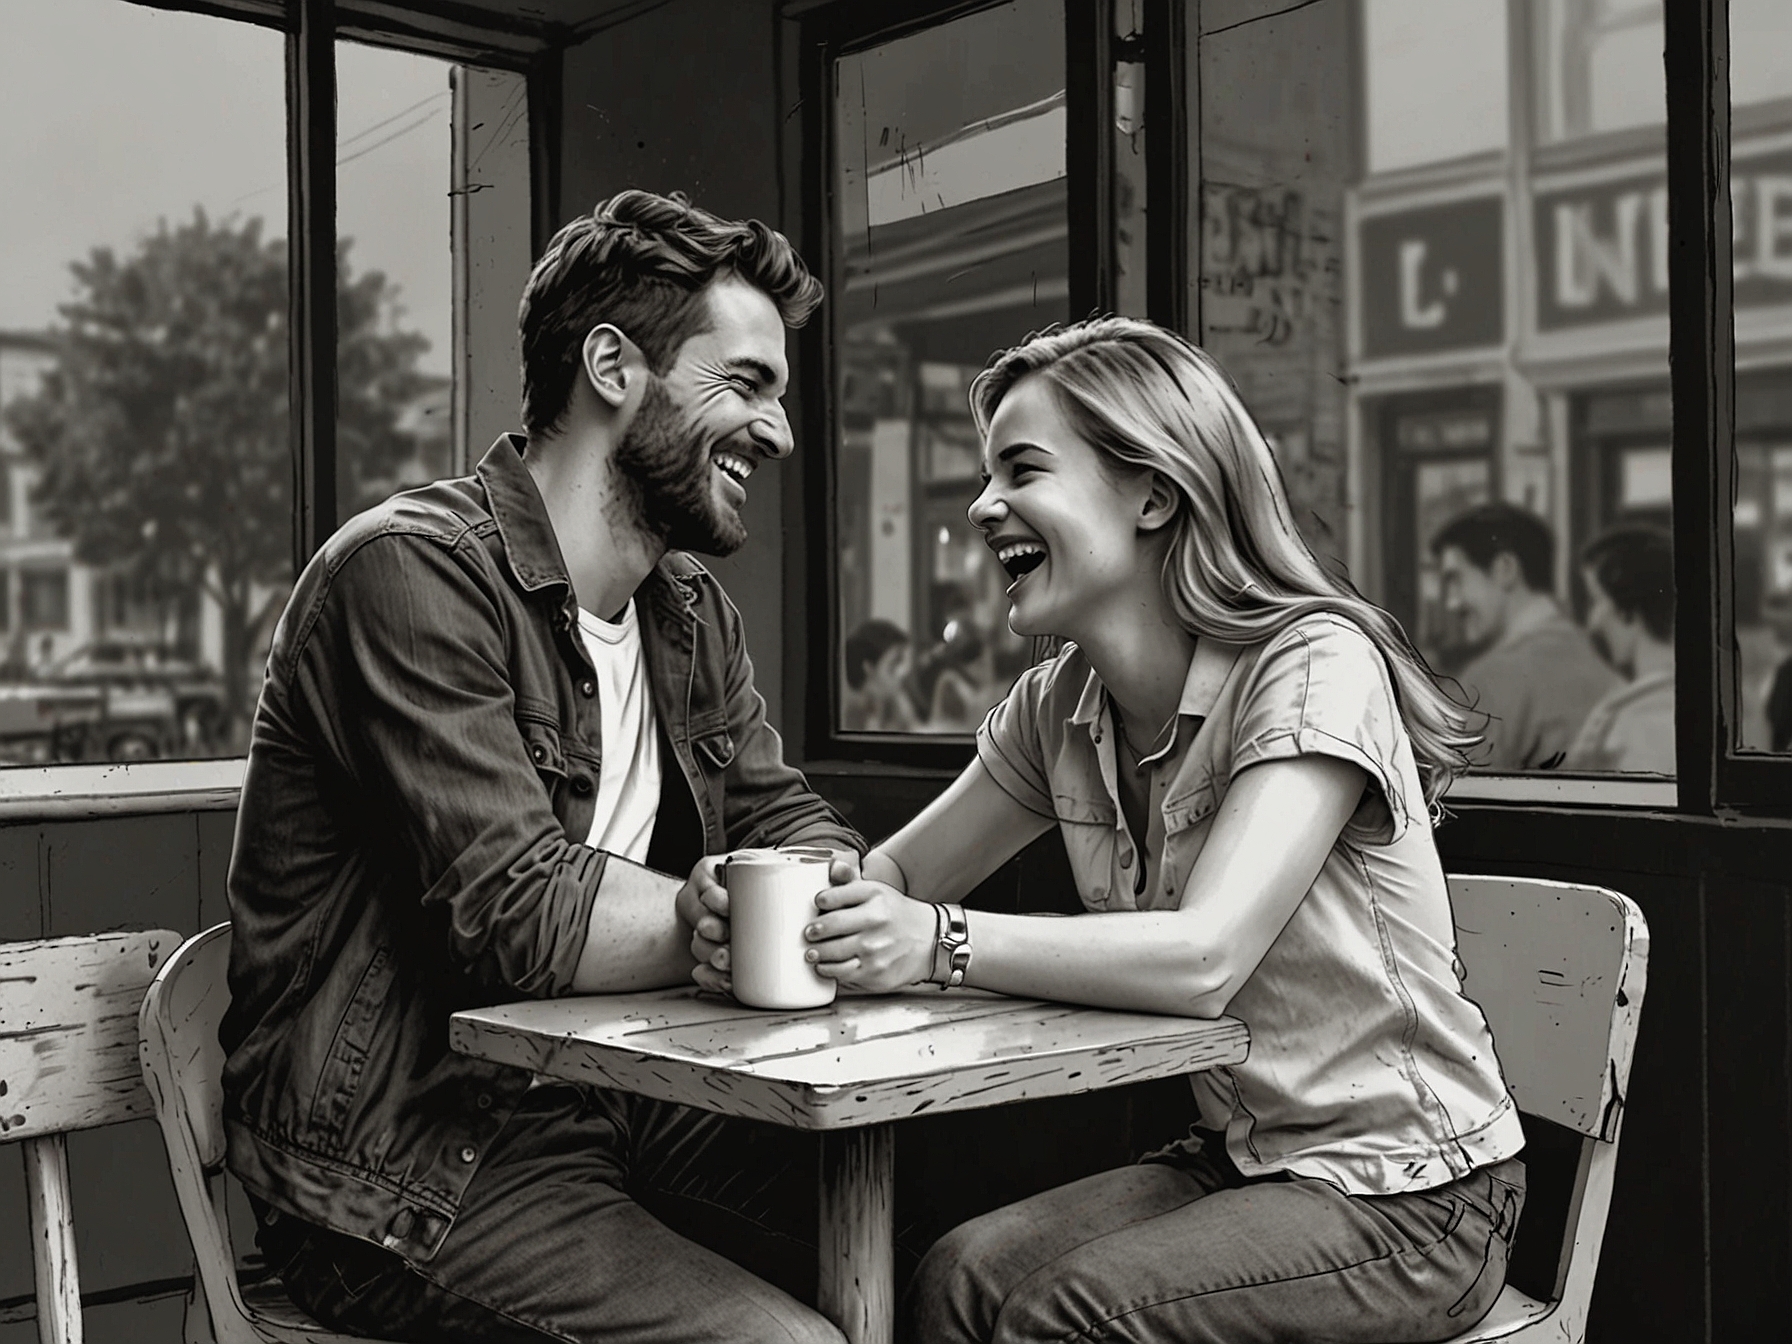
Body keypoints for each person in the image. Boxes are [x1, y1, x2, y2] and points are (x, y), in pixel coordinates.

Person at [693, 318, 1526, 1343]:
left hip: (1411, 1197)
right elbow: (895, 876)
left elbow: (1204, 957)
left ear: (1151, 493)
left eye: (1023, 469)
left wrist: (940, 943)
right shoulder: (1057, 707)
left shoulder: (1312, 663)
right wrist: (767, 915)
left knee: (1063, 1315)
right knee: (956, 1276)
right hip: (1237, 1159)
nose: (983, 503)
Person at [220, 190, 862, 1344]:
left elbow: (790, 817)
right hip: (404, 1159)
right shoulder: (407, 576)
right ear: (612, 366)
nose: (779, 433)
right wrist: (724, 917)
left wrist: (810, 881)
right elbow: (514, 910)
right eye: (747, 385)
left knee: (932, 1261)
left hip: (625, 1095)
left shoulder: (685, 609)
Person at [1432, 502, 1618, 770]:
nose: (1452, 602)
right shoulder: (1600, 658)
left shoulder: (1490, 679)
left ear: (1505, 569)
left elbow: (1452, 802)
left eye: (1456, 579)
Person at [1565, 525, 1676, 773]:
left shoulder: (1639, 722)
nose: (1593, 621)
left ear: (1628, 610)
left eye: (1596, 600)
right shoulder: (1736, 700)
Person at [842, 618, 920, 731]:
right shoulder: (848, 717)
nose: (903, 672)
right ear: (868, 668)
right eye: (893, 665)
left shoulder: (894, 705)